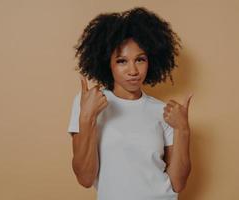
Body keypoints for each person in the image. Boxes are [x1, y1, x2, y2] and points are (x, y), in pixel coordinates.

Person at [67, 6, 193, 200]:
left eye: (140, 59)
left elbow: (178, 184)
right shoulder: (89, 103)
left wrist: (183, 130)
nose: (133, 70)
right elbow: (85, 178)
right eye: (122, 61)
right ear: (107, 63)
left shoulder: (163, 111)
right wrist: (87, 117)